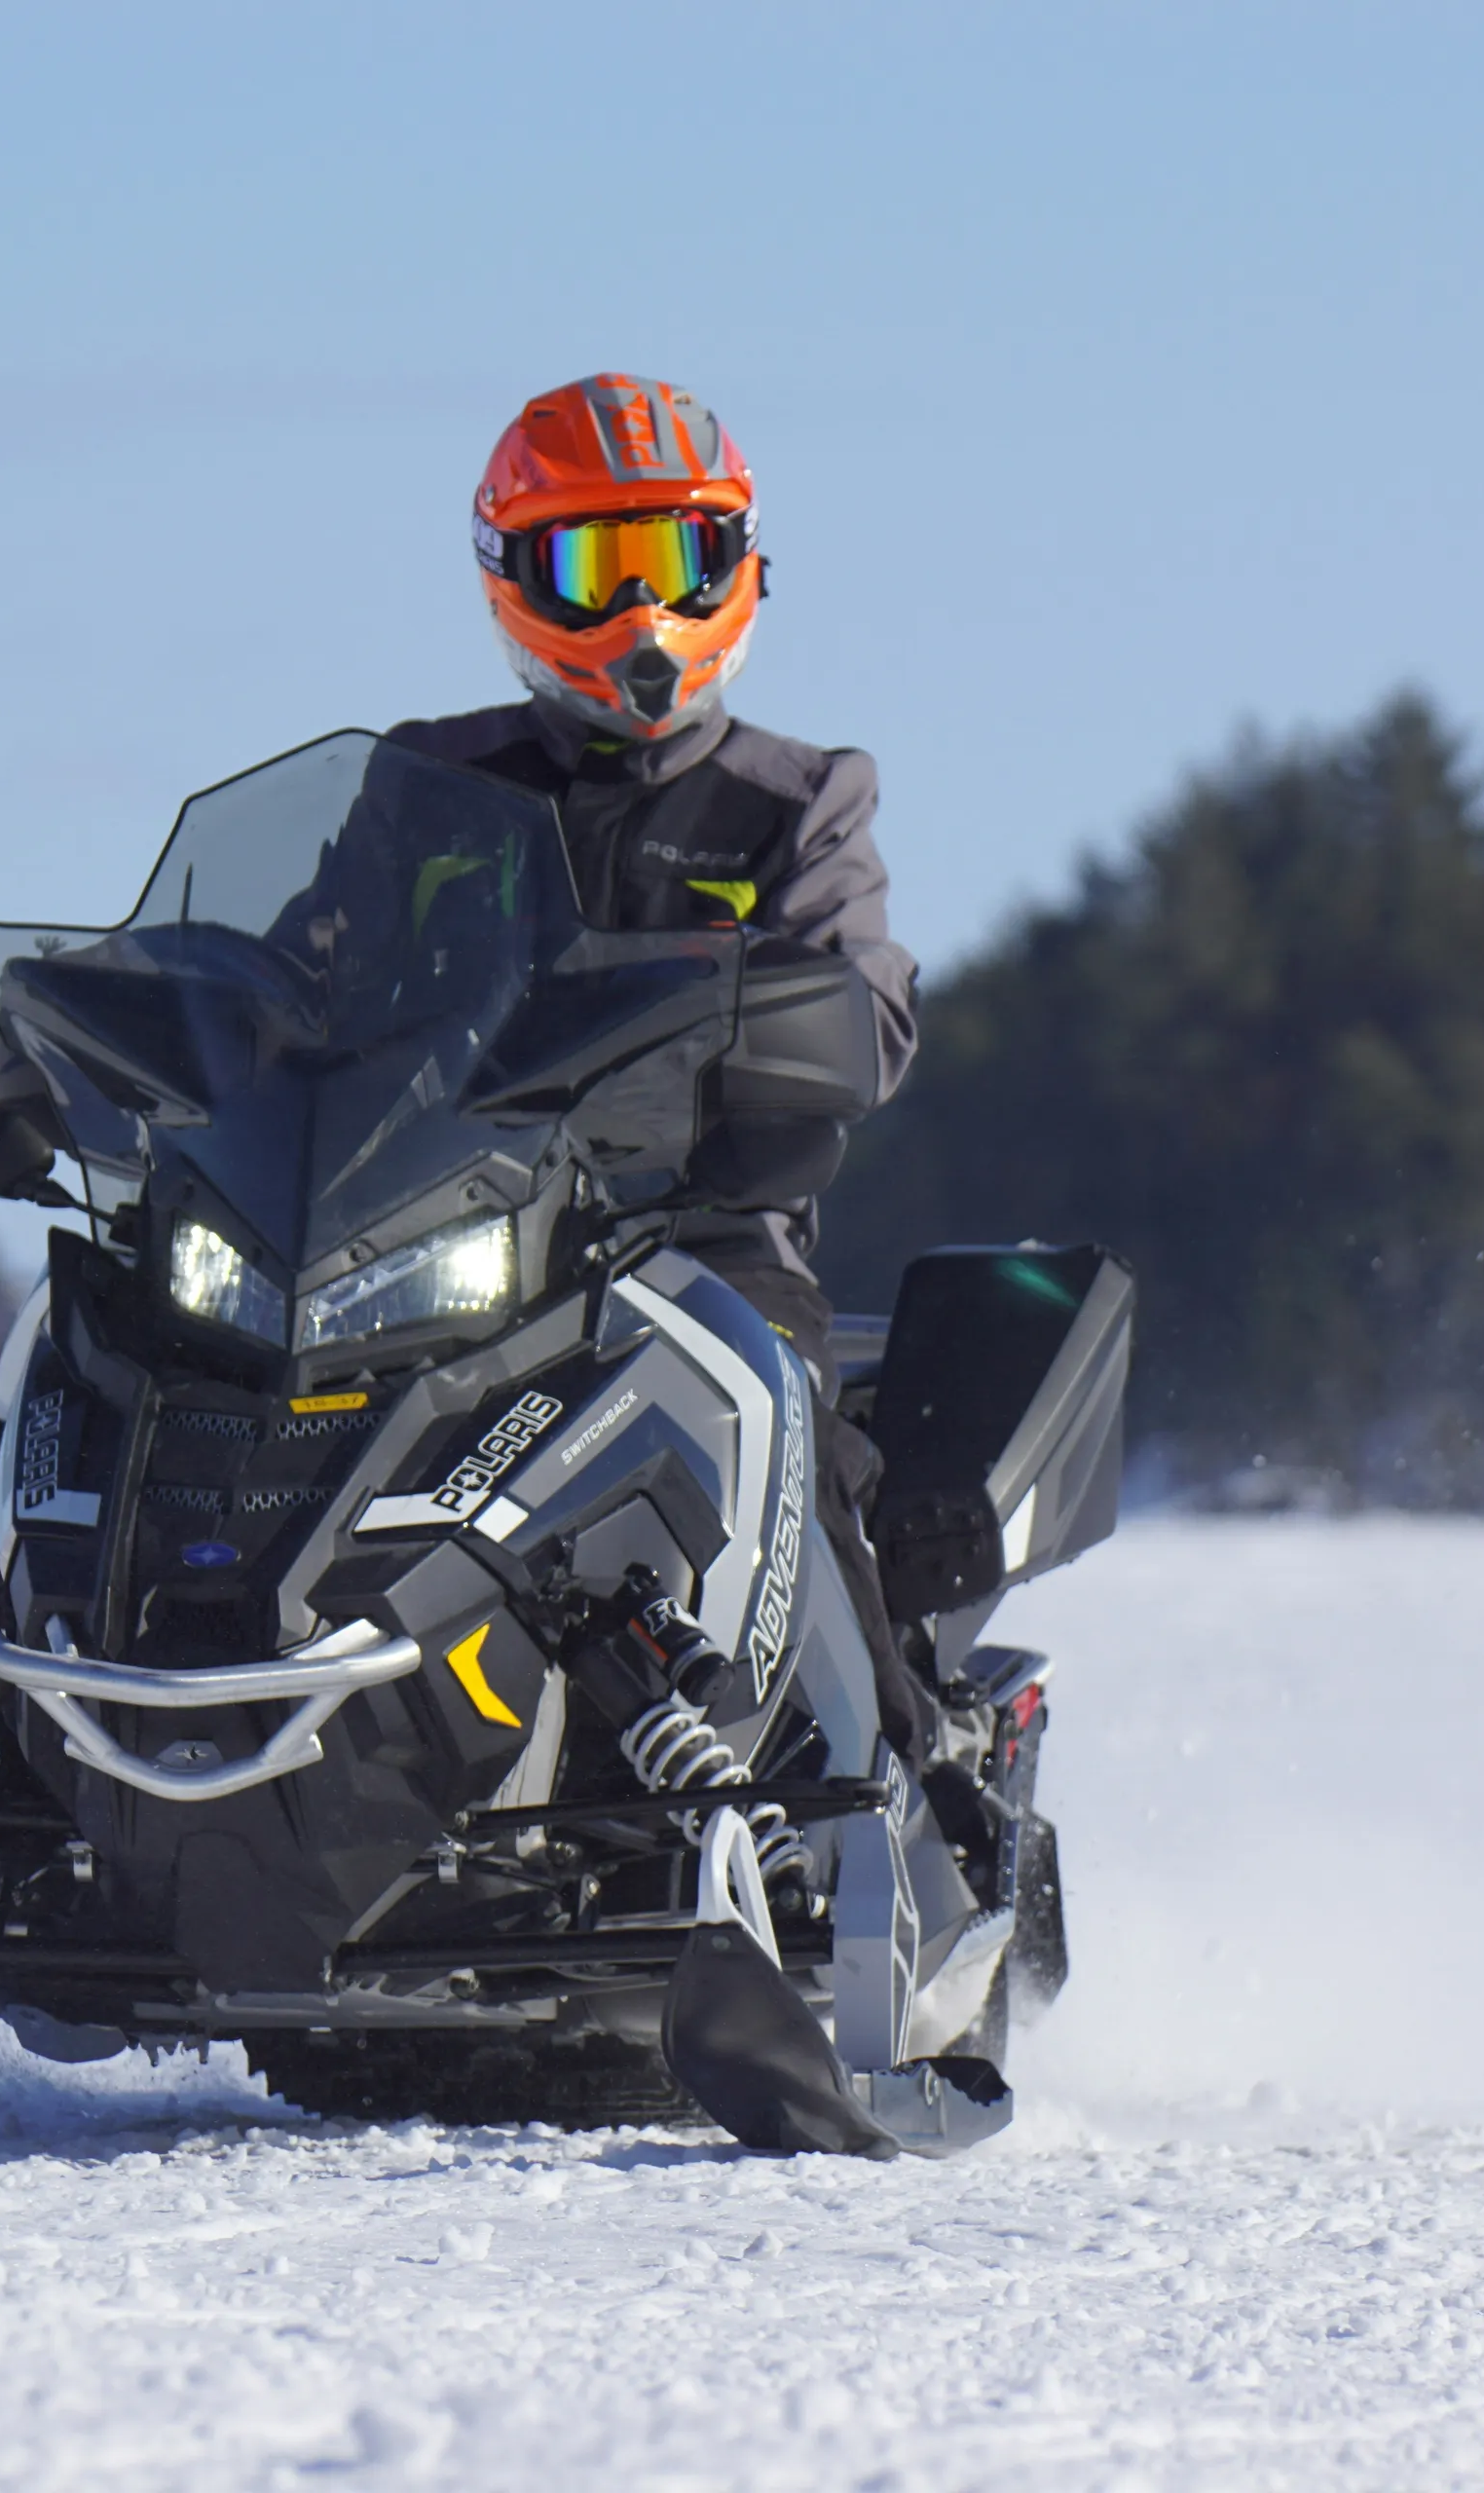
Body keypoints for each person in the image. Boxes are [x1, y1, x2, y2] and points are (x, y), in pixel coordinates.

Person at [392, 373, 939, 1757]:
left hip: (700, 1234)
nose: (641, 613)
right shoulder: (424, 791)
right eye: (595, 566)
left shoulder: (801, 798)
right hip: (438, 1235)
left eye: (673, 563)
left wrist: (762, 1040)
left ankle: (897, 1775)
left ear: (737, 566)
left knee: (783, 1424)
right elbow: (301, 968)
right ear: (516, 576)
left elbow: (866, 1008)